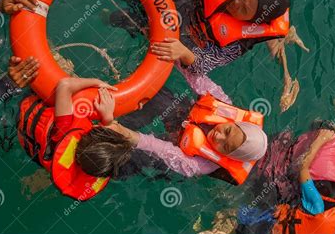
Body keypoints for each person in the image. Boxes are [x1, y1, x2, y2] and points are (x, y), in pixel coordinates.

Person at [18, 75, 268, 201]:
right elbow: (198, 77)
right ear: (235, 122)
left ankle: (93, 158)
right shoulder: (225, 107)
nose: (219, 137)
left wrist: (120, 129)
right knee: (160, 96)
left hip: (173, 151)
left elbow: (158, 148)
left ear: (227, 157)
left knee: (132, 160)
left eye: (225, 146)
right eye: (228, 130)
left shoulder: (201, 165)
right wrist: (177, 56)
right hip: (186, 120)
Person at [110, 0, 290, 98]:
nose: (236, 3)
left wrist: (183, 53)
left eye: (244, 9)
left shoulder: (236, 45)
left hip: (181, 37)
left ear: (252, 22)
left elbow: (204, 65)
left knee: (117, 18)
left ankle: (106, 16)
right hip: (179, 0)